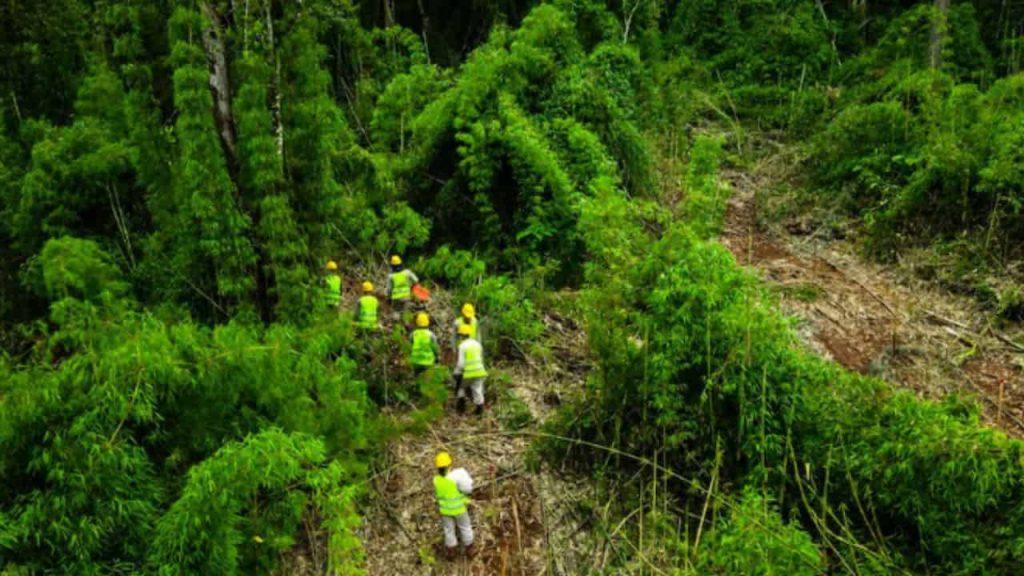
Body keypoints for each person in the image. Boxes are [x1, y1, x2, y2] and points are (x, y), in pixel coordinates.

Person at [433, 451, 475, 560]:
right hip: (459, 510)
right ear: (449, 465)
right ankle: (470, 549)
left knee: (448, 530)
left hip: (445, 511)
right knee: (465, 527)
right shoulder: (455, 477)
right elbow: (467, 489)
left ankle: (451, 552)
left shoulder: (436, 480)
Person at [453, 323, 487, 415]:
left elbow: (461, 364)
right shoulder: (477, 344)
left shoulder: (462, 346)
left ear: (461, 335)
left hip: (469, 373)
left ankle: (461, 408)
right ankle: (479, 410)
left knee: (461, 388)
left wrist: (456, 373)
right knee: (477, 389)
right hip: (480, 371)